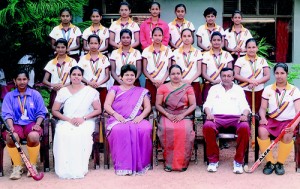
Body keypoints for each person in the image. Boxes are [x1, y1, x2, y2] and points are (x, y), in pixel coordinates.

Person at [52, 66, 101, 179]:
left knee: (80, 134)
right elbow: (54, 110)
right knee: (62, 133)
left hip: (85, 120)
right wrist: (68, 119)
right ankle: (65, 167)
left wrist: (83, 118)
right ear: (70, 76)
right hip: (67, 120)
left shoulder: (90, 91)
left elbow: (98, 110)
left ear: (82, 77)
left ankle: (79, 167)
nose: (76, 77)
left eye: (79, 75)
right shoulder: (63, 91)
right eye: (74, 74)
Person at [104, 64, 152, 176]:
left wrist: (141, 117)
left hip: (137, 118)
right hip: (118, 119)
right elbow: (107, 105)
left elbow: (148, 107)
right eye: (126, 75)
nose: (129, 77)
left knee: (145, 128)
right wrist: (116, 115)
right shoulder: (114, 89)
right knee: (120, 130)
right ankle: (123, 164)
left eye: (132, 75)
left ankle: (141, 163)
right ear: (121, 76)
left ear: (135, 77)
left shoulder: (141, 91)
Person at [203, 68, 250, 174]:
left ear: (233, 77)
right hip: (216, 117)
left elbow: (245, 106)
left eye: (229, 76)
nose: (226, 78)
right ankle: (213, 160)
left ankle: (238, 161)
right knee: (207, 126)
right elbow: (207, 104)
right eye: (224, 76)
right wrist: (208, 113)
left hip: (235, 118)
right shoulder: (214, 88)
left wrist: (244, 114)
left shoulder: (238, 89)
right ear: (220, 77)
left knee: (245, 127)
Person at [1, 70, 47, 180]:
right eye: (19, 79)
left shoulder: (35, 94)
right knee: (11, 137)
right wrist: (10, 126)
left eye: (24, 79)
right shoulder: (9, 96)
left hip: (31, 123)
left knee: (34, 136)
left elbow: (41, 112)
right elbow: (7, 114)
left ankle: (32, 165)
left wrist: (37, 124)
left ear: (28, 80)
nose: (22, 82)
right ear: (14, 81)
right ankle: (17, 166)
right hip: (16, 123)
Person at [257, 63, 300, 175]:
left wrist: (293, 125)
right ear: (274, 74)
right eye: (277, 73)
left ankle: (280, 163)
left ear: (287, 74)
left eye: (282, 73)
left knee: (288, 133)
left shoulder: (294, 90)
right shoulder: (268, 89)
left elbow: (298, 112)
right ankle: (269, 162)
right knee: (261, 130)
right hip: (271, 120)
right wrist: (262, 118)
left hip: (288, 121)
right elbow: (262, 108)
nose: (279, 76)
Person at [155, 65, 196, 172]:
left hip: (184, 115)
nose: (176, 76)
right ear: (169, 75)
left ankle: (182, 163)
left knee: (185, 130)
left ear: (182, 75)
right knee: (168, 129)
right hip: (167, 114)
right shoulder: (162, 87)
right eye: (173, 74)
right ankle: (169, 163)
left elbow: (193, 105)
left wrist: (182, 115)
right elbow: (158, 105)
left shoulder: (188, 87)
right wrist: (168, 115)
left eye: (178, 73)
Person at [234, 38, 270, 113]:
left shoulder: (262, 60)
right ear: (245, 48)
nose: (251, 49)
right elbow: (235, 75)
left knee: (257, 112)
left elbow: (267, 76)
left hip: (259, 90)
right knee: (243, 112)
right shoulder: (240, 60)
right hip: (243, 90)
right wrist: (249, 81)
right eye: (249, 47)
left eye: (253, 47)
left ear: (257, 48)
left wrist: (256, 82)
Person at [78, 34, 110, 109]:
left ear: (99, 44)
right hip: (87, 87)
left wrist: (98, 83)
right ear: (88, 44)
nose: (93, 45)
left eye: (95, 43)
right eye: (91, 43)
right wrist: (88, 82)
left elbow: (107, 75)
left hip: (101, 87)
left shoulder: (104, 58)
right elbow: (79, 75)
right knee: (88, 108)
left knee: (102, 108)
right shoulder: (83, 58)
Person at [142, 27, 173, 106]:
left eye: (160, 35)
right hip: (150, 81)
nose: (157, 37)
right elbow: (144, 69)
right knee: (150, 103)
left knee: (165, 103)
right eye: (155, 35)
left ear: (162, 37)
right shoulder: (146, 50)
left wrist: (162, 81)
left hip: (165, 81)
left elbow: (169, 68)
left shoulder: (168, 50)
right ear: (151, 36)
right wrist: (153, 80)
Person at [43, 38, 77, 108]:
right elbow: (44, 80)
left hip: (69, 91)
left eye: (63, 47)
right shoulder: (51, 62)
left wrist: (63, 86)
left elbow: (76, 78)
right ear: (55, 48)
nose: (60, 49)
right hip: (55, 91)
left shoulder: (73, 61)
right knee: (55, 112)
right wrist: (53, 85)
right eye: (58, 47)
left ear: (67, 48)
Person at [172, 28, 203, 106]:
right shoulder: (175, 52)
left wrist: (190, 80)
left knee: (195, 107)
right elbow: (173, 70)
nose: (186, 38)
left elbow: (199, 71)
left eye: (189, 36)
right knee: (180, 106)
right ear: (181, 38)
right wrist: (181, 80)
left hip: (194, 83)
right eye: (184, 36)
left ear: (192, 38)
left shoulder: (198, 52)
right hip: (178, 84)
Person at [201, 31, 233, 103]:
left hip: (224, 84)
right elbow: (203, 72)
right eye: (214, 40)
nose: (216, 42)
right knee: (208, 104)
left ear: (222, 41)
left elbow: (230, 72)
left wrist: (222, 81)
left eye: (218, 40)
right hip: (209, 84)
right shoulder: (205, 55)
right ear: (211, 41)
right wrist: (213, 81)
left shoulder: (227, 54)